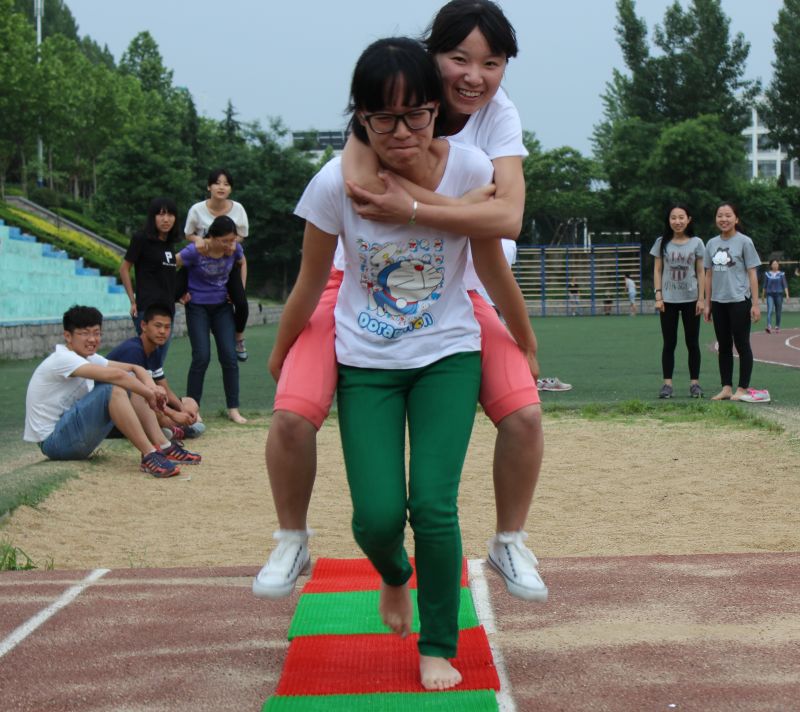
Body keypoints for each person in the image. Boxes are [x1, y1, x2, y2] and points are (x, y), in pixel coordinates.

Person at [256, 0, 547, 605]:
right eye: (459, 58)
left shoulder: (496, 117)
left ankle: (509, 540)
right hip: (358, 284)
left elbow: (507, 217)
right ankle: (291, 538)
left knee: (524, 414)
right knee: (291, 413)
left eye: (492, 63)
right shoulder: (391, 98)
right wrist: (456, 208)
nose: (474, 76)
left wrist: (421, 208)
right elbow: (364, 186)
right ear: (432, 57)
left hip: (462, 286)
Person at [267, 36, 508, 691]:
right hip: (365, 362)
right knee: (376, 517)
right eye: (384, 118)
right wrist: (281, 350)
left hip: (447, 355)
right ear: (361, 118)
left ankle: (437, 644)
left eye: (416, 115)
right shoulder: (334, 184)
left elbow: (493, 254)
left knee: (432, 505)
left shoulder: (470, 167)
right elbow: (308, 280)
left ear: (436, 108)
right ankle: (395, 574)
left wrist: (521, 334)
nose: (402, 132)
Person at [23, 305, 196, 477]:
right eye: (84, 333)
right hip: (54, 443)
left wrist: (152, 388)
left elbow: (135, 368)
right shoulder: (63, 358)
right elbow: (117, 376)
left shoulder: (88, 357)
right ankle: (149, 454)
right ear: (68, 336)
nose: (92, 339)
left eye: (96, 333)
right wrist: (152, 395)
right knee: (113, 388)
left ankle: (163, 446)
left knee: (131, 384)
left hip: (72, 435)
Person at [177, 215, 247, 423]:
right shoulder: (195, 250)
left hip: (222, 307)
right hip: (197, 306)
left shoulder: (235, 250)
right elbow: (172, 263)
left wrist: (240, 290)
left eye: (232, 240)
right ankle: (193, 409)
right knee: (201, 356)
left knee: (229, 356)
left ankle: (233, 409)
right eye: (225, 241)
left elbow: (242, 262)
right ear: (212, 237)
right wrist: (178, 292)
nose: (229, 245)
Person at [106, 304, 205, 442]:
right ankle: (174, 430)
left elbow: (165, 390)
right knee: (155, 410)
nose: (162, 331)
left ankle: (171, 429)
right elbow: (141, 395)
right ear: (143, 326)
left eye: (167, 327)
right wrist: (173, 414)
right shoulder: (132, 351)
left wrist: (182, 409)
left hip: (146, 403)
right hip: (118, 412)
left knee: (190, 402)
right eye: (158, 326)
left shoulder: (155, 350)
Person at [184, 169, 250, 361]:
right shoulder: (197, 209)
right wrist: (198, 239)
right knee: (179, 286)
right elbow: (188, 234)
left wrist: (230, 243)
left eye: (226, 184)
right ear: (209, 186)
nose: (221, 187)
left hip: (227, 262)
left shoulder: (238, 209)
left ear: (231, 189)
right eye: (217, 183)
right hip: (200, 262)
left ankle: (238, 337)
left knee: (241, 302)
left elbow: (242, 234)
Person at [704, 202, 762, 402]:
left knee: (742, 344)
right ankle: (726, 387)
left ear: (736, 219)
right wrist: (707, 303)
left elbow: (752, 273)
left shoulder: (745, 242)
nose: (724, 219)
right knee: (724, 346)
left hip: (739, 301)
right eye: (720, 215)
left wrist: (755, 304)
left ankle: (742, 388)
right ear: (716, 219)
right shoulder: (711, 244)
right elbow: (708, 275)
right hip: (718, 302)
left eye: (728, 215)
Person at [650, 204, 705, 399]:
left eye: (681, 217)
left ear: (688, 219)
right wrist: (658, 296)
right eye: (673, 218)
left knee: (693, 343)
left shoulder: (697, 242)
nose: (677, 221)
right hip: (668, 300)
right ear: (669, 220)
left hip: (691, 299)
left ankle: (695, 384)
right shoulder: (661, 242)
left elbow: (701, 271)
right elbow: (657, 270)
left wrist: (701, 298)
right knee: (669, 343)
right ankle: (667, 385)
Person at [119, 197, 181, 339]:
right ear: (153, 217)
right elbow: (124, 269)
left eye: (170, 215)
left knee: (160, 354)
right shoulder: (141, 238)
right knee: (147, 352)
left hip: (168, 310)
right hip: (147, 309)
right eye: (161, 214)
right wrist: (132, 301)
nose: (166, 219)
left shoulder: (169, 243)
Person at [762, 259, 789, 334]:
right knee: (770, 310)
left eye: (776, 264)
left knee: (778, 311)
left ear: (778, 265)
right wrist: (763, 296)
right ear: (771, 265)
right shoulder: (767, 274)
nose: (775, 265)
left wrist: (787, 295)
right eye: (773, 264)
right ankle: (769, 326)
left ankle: (777, 326)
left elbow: (785, 285)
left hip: (779, 295)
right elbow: (764, 285)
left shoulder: (782, 274)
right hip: (769, 295)